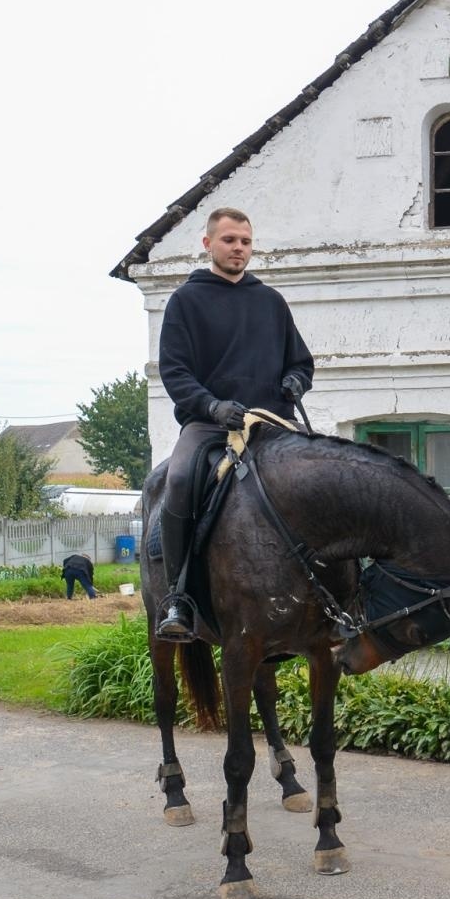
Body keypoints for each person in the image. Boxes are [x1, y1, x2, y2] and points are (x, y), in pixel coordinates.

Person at [153, 207, 315, 641]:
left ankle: (337, 595)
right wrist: (211, 407)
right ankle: (177, 598)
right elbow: (175, 372)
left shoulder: (271, 302)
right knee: (180, 479)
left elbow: (300, 362)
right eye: (229, 240)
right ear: (208, 244)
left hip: (272, 422)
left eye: (245, 241)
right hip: (209, 424)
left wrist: (296, 380)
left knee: (324, 473)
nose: (238, 248)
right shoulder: (186, 301)